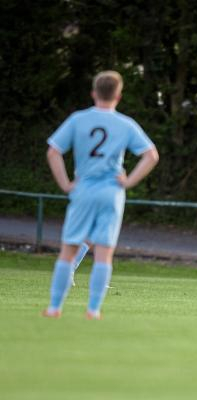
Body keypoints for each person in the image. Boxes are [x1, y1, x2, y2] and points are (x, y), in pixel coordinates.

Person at [42, 71, 159, 319]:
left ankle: (54, 308)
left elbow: (53, 151)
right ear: (118, 95)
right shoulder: (125, 124)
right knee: (104, 253)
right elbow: (151, 155)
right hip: (112, 192)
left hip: (83, 189)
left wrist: (65, 183)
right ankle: (93, 310)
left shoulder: (78, 119)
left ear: (94, 93)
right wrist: (129, 181)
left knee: (68, 249)